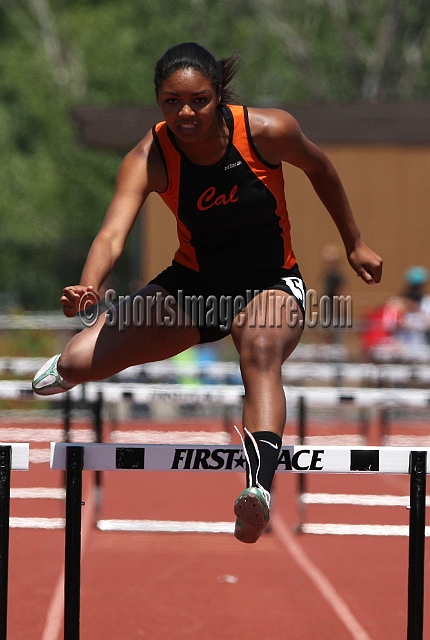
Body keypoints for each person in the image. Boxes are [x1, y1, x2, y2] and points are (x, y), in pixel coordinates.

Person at [32, 42, 382, 543]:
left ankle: (257, 490)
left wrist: (355, 243)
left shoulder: (266, 132)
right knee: (80, 363)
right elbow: (112, 234)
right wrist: (90, 286)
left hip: (270, 283)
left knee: (260, 350)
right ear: (159, 102)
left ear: (218, 95)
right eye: (171, 102)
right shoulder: (150, 155)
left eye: (197, 100)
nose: (185, 113)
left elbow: (321, 169)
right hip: (194, 286)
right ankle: (72, 363)